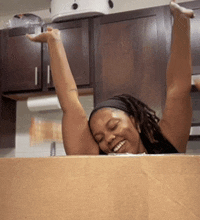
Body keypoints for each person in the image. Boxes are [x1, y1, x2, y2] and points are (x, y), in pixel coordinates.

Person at [27, 0, 194, 155]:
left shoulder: (166, 145)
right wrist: (54, 42)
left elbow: (178, 88)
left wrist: (181, 21)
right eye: (99, 139)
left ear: (134, 121)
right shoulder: (100, 161)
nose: (108, 139)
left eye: (113, 126)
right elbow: (70, 105)